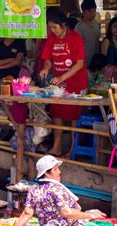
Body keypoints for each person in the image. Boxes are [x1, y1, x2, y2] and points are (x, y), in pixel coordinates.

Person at [3, 155, 106, 226]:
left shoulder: (33, 189)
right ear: (46, 173)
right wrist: (90, 216)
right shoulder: (56, 189)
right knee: (95, 220)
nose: (59, 172)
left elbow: (27, 213)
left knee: (92, 214)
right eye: (55, 169)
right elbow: (67, 213)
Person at [39, 9, 88, 157]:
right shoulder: (51, 39)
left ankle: (73, 149)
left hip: (76, 83)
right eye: (50, 27)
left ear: (63, 25)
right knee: (57, 113)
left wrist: (63, 77)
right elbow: (48, 59)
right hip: (59, 85)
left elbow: (79, 64)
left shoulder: (76, 38)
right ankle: (57, 146)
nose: (52, 30)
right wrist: (46, 68)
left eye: (55, 27)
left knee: (74, 116)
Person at [75, 0, 99, 67]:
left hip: (96, 61)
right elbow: (76, 48)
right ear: (84, 12)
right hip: (84, 63)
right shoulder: (79, 27)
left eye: (94, 10)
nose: (93, 13)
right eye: (90, 11)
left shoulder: (96, 24)